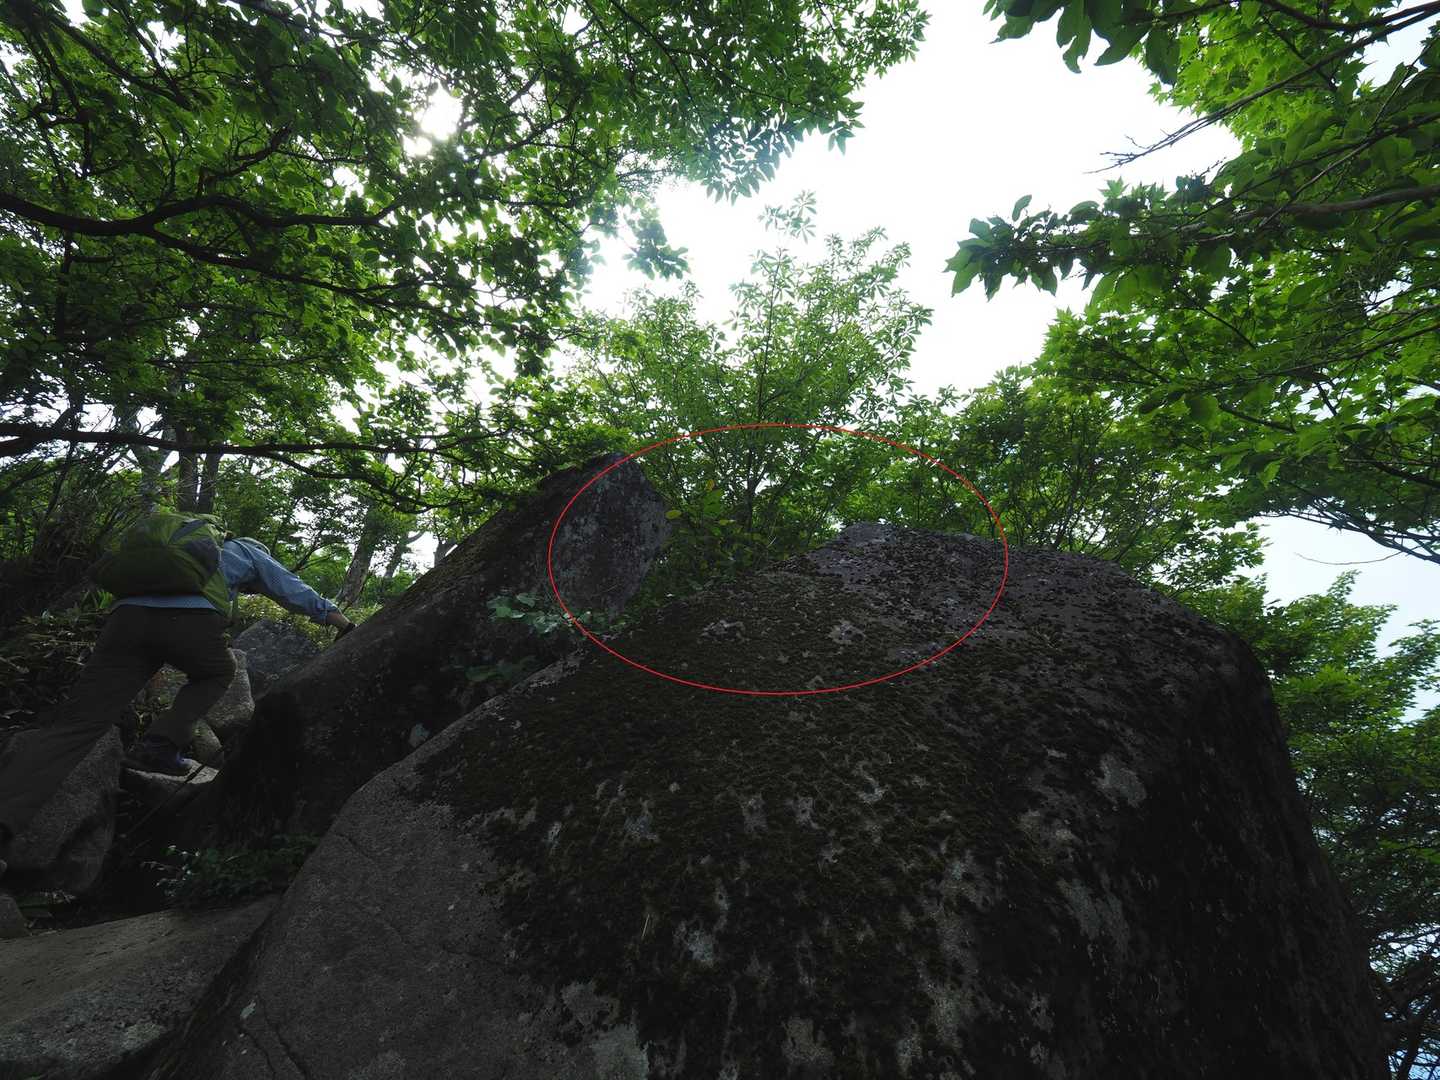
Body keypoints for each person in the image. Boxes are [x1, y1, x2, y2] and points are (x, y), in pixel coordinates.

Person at [0, 524, 355, 880]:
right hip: (189, 620)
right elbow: (289, 588)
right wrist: (341, 623)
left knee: (74, 727)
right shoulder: (247, 551)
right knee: (218, 671)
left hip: (125, 620)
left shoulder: (179, 547)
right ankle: (159, 744)